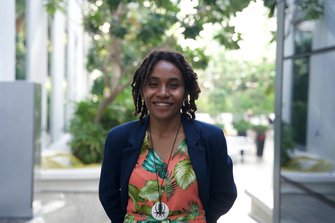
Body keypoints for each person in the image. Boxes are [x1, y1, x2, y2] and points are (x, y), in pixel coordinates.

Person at [99, 50, 237, 223]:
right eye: (153, 84)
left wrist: (200, 219)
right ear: (142, 89)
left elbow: (225, 193)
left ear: (186, 90)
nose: (163, 92)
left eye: (173, 85)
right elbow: (108, 194)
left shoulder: (211, 137)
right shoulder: (119, 138)